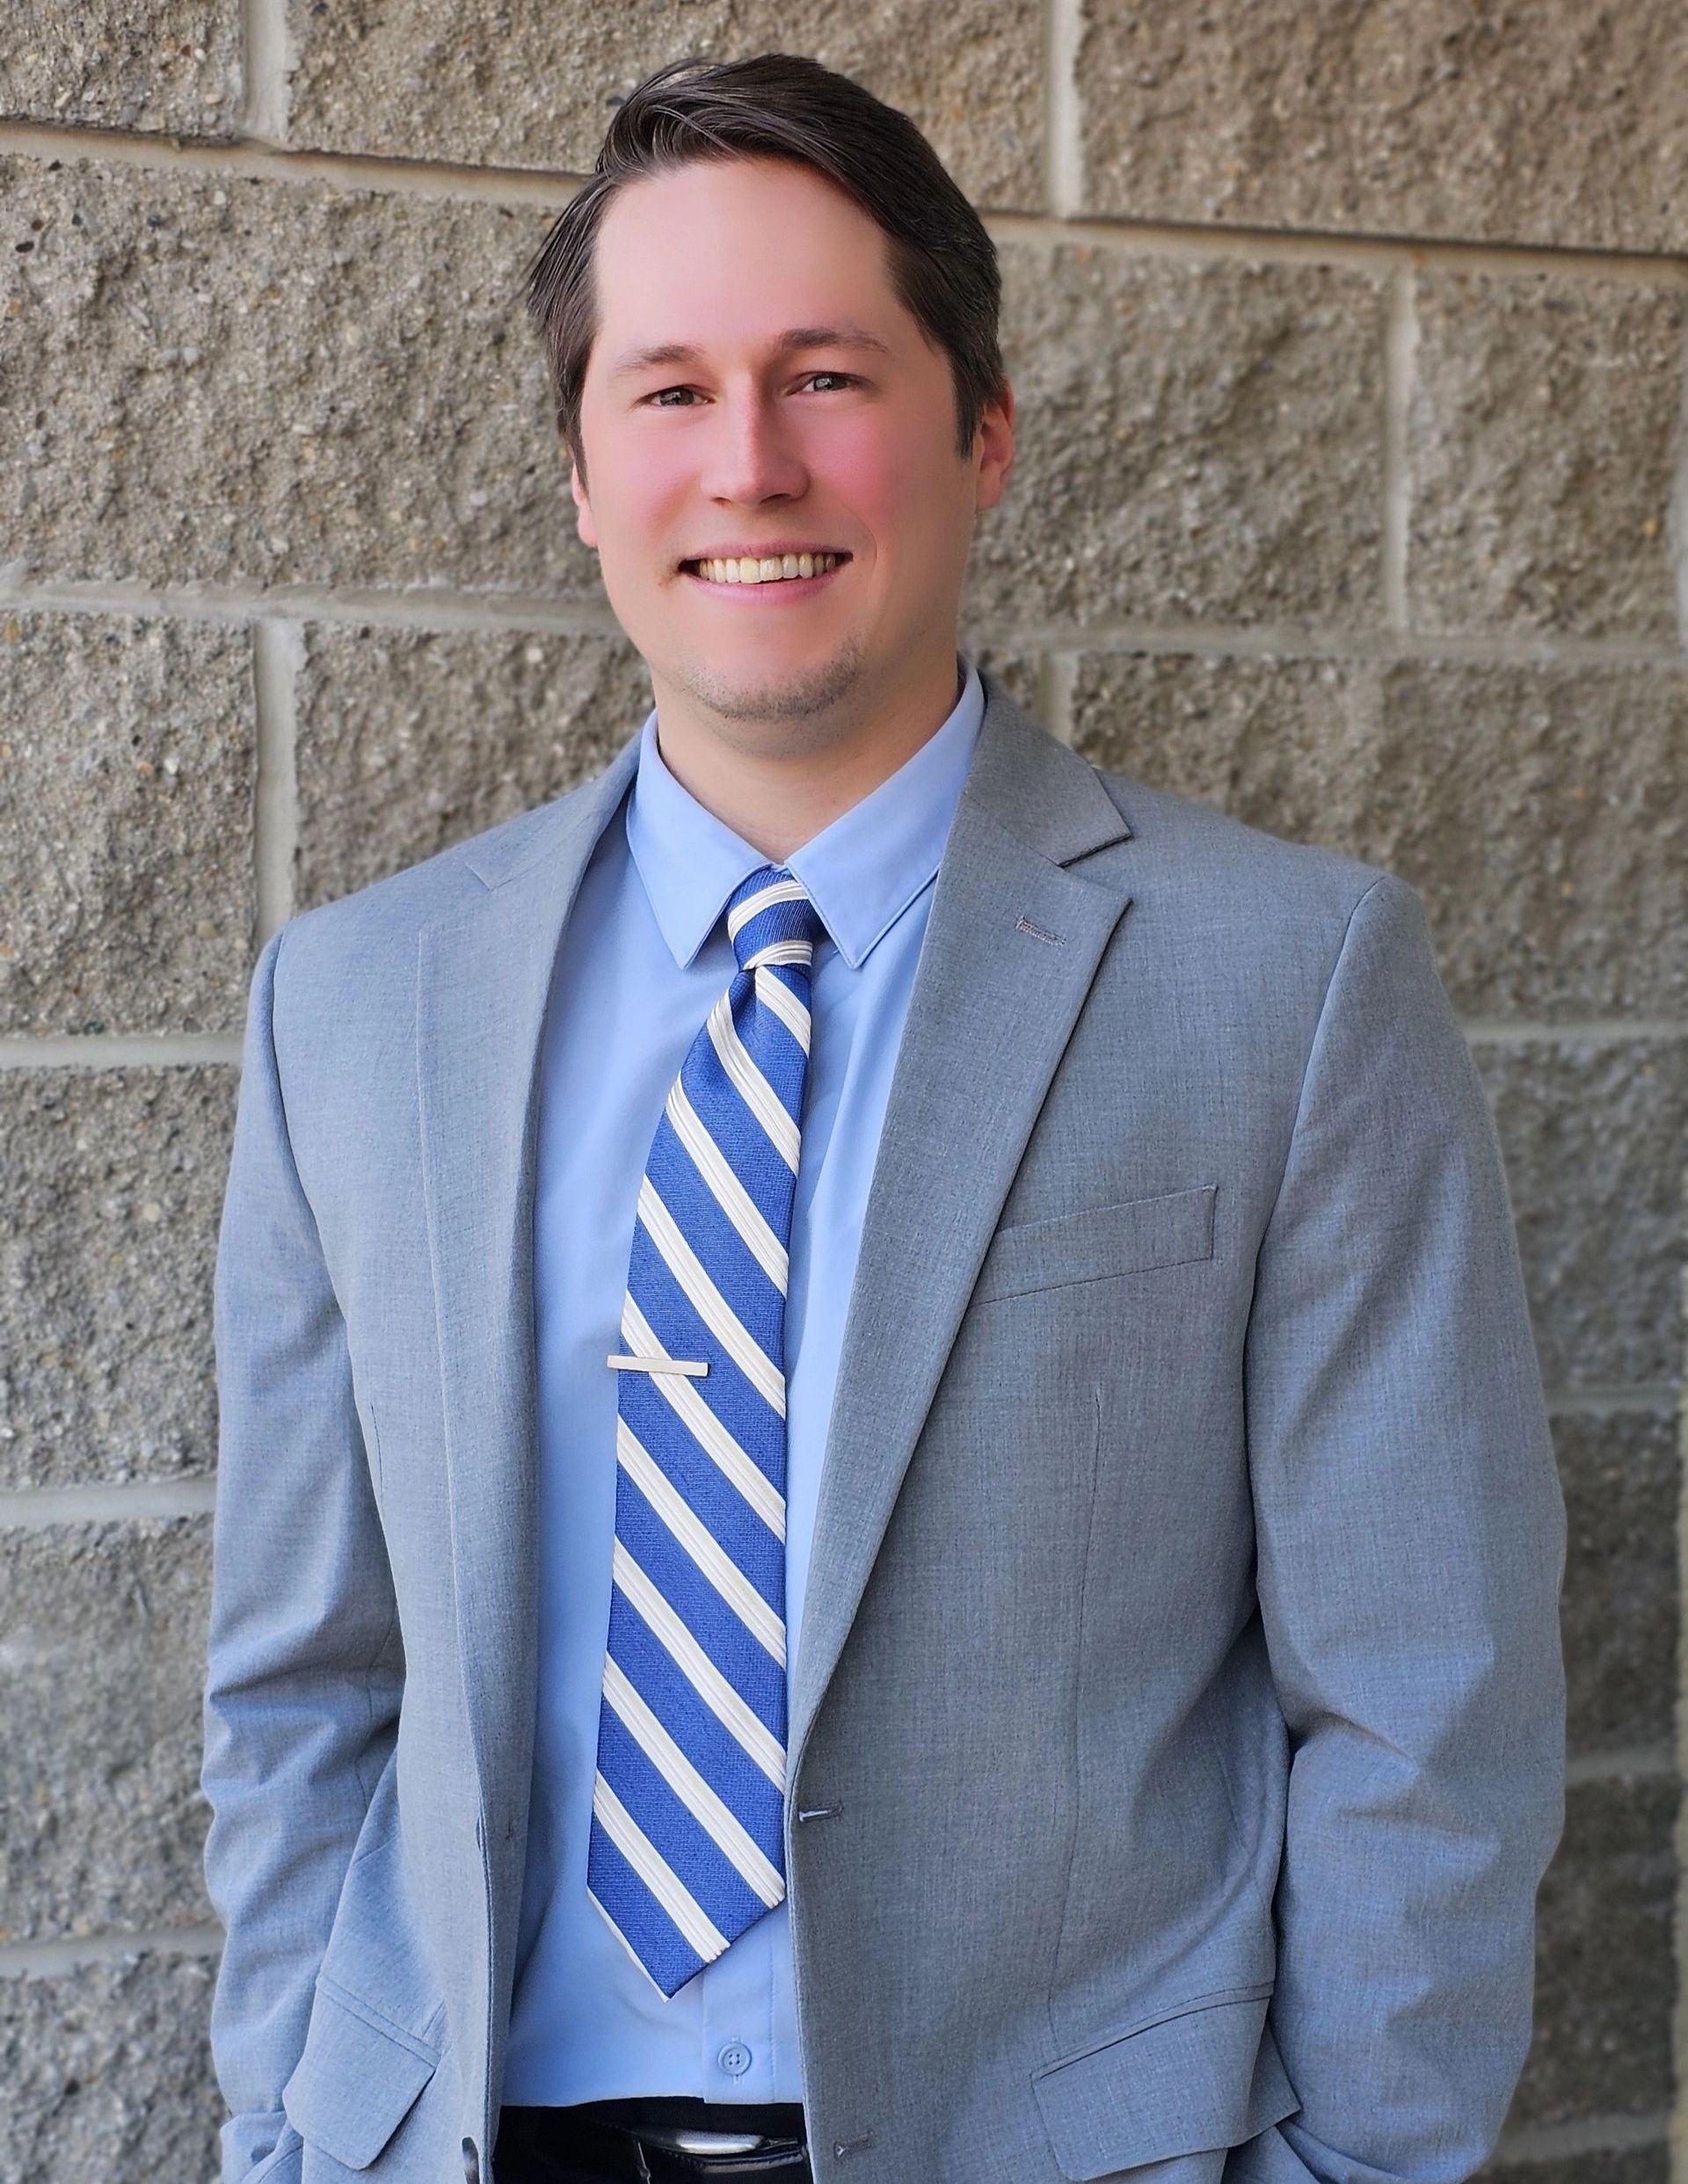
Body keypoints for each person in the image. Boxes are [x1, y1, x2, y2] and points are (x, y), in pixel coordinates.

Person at [200, 49, 1567, 2184]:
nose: (747, 465)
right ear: (580, 471)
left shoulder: (1291, 985)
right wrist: (290, 2132)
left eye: (823, 374)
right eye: (665, 390)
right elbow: (298, 1689)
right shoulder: (351, 1009)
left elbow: (1427, 1710)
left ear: (982, 430)